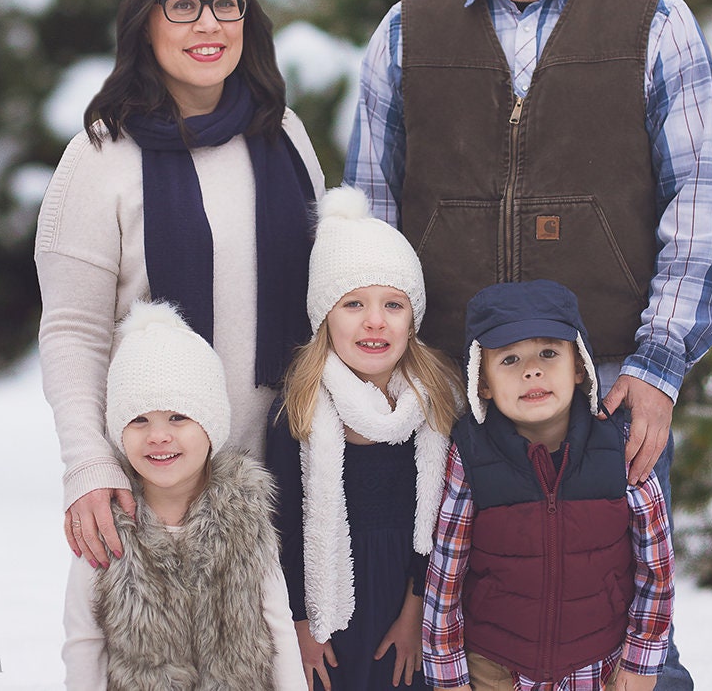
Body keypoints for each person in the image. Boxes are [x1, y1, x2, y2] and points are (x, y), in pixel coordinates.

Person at [345, 0, 712, 688]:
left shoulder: (654, 19)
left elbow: (700, 203)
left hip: (604, 395)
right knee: (443, 639)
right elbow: (370, 219)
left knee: (627, 647)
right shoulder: (407, 29)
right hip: (447, 396)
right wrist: (385, 372)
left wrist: (658, 368)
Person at [37, 0, 325, 569]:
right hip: (156, 490)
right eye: (183, 4)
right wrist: (86, 462)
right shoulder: (100, 157)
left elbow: (324, 299)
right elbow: (72, 330)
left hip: (288, 477)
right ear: (146, 23)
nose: (209, 23)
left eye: (226, 2)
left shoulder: (282, 136)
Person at [422, 281, 673, 691]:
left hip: (598, 664)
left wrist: (642, 660)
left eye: (549, 353)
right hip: (495, 667)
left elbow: (656, 568)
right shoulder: (470, 455)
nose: (532, 370)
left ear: (579, 367)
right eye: (509, 359)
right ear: (482, 382)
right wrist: (448, 675)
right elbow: (446, 573)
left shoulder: (618, 447)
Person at [266, 185, 464, 691]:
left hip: (409, 601)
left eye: (393, 304)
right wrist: (301, 626)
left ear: (412, 320)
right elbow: (284, 529)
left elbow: (444, 523)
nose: (375, 321)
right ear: (324, 316)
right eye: (353, 303)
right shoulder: (297, 409)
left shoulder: (435, 404)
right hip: (327, 611)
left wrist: (416, 615)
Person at [61, 299, 308, 690]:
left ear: (211, 426)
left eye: (178, 417)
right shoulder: (106, 528)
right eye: (139, 420)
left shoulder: (245, 519)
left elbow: (278, 627)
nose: (158, 435)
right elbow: (84, 643)